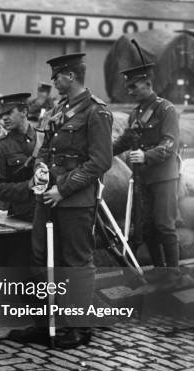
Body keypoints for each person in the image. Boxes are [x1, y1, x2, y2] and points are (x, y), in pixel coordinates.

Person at [28, 53, 113, 348]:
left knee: (75, 262)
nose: (53, 82)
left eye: (57, 76)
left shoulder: (96, 112)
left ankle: (78, 328)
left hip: (74, 200)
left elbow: (101, 161)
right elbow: (45, 148)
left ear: (72, 76)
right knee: (40, 256)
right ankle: (45, 323)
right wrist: (39, 169)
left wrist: (63, 189)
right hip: (46, 196)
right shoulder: (59, 108)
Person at [113, 62, 188, 286]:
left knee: (165, 224)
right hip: (143, 178)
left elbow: (170, 144)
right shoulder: (136, 113)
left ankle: (173, 272)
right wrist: (102, 154)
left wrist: (147, 156)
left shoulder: (166, 110)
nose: (130, 91)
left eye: (134, 86)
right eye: (129, 87)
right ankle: (158, 268)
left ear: (147, 84)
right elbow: (124, 141)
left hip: (164, 177)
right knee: (147, 226)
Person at [0, 93, 36, 222]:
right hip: (22, 213)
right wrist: (28, 186)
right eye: (2, 114)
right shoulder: (1, 147)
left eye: (8, 113)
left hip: (49, 206)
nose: (4, 118)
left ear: (24, 111)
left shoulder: (42, 138)